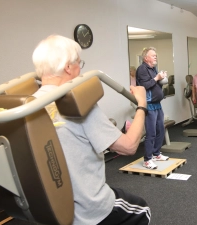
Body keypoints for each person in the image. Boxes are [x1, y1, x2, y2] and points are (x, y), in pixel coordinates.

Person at [32, 35, 151, 225]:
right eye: (80, 63)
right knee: (142, 210)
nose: (81, 69)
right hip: (89, 209)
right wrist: (142, 105)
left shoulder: (26, 107)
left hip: (49, 211)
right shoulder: (77, 106)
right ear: (68, 67)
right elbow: (128, 146)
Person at [136, 47, 169, 170]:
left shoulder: (153, 68)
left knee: (160, 129)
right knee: (151, 133)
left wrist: (161, 77)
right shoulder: (142, 69)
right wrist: (157, 78)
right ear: (146, 58)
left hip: (157, 104)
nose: (155, 57)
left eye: (156, 55)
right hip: (149, 105)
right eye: (153, 55)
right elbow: (145, 85)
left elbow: (155, 83)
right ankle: (147, 159)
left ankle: (156, 153)